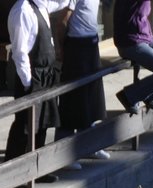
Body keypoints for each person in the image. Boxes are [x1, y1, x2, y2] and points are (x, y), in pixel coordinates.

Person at [5, 0, 66, 162]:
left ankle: (38, 170)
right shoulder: (22, 10)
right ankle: (14, 174)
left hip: (47, 75)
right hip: (33, 77)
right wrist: (28, 83)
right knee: (25, 126)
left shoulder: (42, 5)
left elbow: (61, 3)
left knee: (42, 125)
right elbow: (20, 52)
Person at [55, 0, 108, 160]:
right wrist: (61, 47)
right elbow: (62, 21)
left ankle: (90, 145)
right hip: (76, 45)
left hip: (91, 43)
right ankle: (63, 153)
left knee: (91, 97)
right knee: (72, 98)